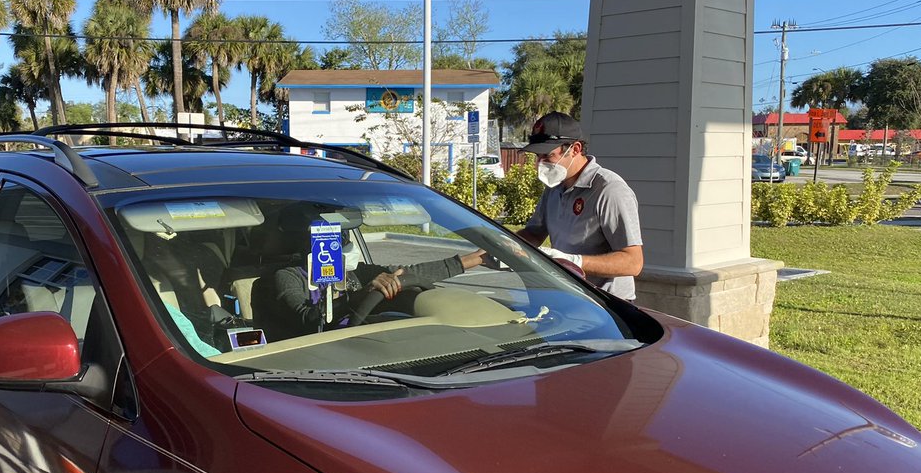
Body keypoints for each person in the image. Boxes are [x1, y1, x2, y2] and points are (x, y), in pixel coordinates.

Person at [256, 204, 485, 340]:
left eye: (344, 235)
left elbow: (407, 273)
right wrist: (361, 295)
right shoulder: (286, 277)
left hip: (360, 344)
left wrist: (471, 260)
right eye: (335, 238)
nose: (344, 241)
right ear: (311, 243)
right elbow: (309, 319)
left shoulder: (354, 273)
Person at [516, 111, 644, 301]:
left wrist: (573, 261)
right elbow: (534, 234)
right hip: (571, 296)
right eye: (537, 157)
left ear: (575, 149)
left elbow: (633, 262)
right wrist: (504, 244)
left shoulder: (609, 190)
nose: (540, 164)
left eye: (547, 156)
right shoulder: (554, 187)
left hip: (609, 305)